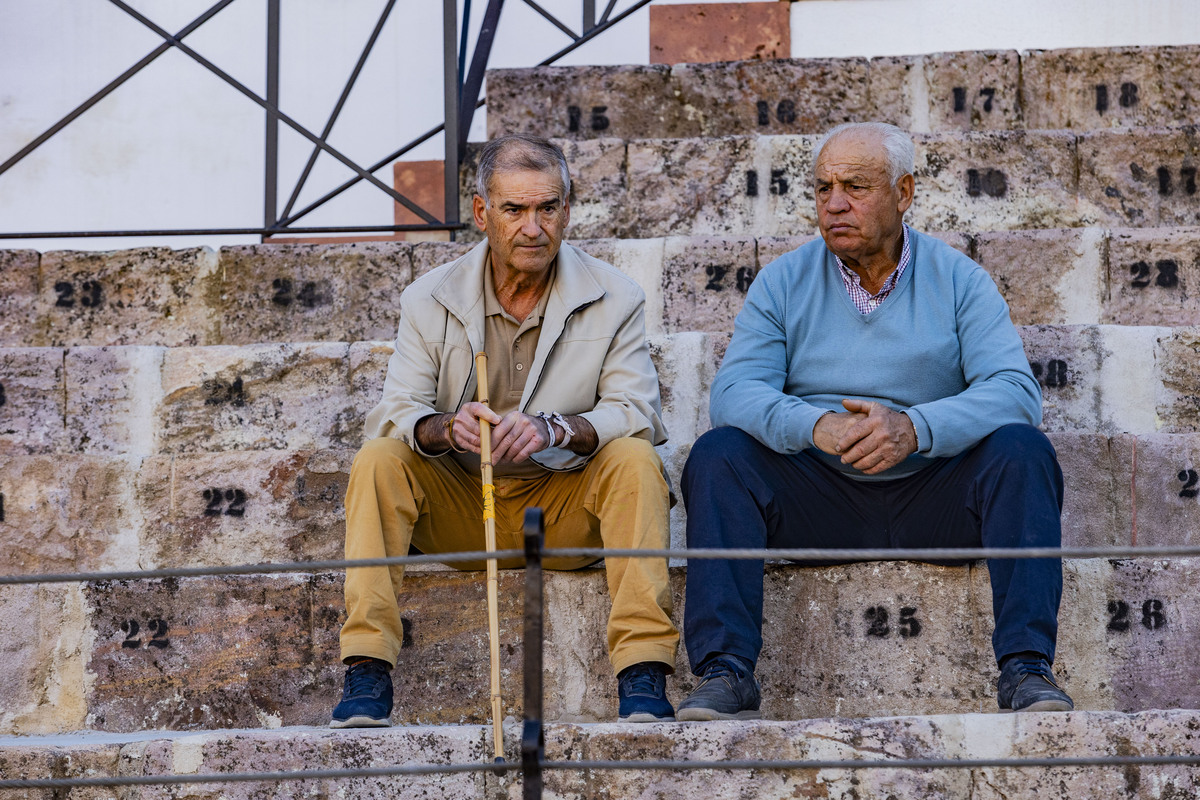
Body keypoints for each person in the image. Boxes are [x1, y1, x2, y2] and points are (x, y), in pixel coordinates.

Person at [676, 122, 1072, 721]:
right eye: (823, 188)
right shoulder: (783, 281)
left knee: (1022, 450)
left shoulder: (960, 279)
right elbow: (734, 391)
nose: (835, 203)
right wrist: (817, 428)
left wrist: (914, 428)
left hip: (935, 496)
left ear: (904, 192)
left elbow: (1015, 392)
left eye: (856, 187)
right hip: (819, 496)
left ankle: (1026, 668)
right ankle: (727, 672)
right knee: (718, 454)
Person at [330, 134, 679, 728]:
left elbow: (639, 410)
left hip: (563, 511)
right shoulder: (427, 298)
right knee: (379, 458)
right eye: (514, 209)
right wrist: (446, 427)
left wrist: (558, 428)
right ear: (481, 213)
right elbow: (394, 411)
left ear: (567, 210)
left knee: (636, 461)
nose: (533, 226)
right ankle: (367, 669)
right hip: (467, 509)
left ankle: (642, 672)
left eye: (548, 208)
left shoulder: (615, 296)